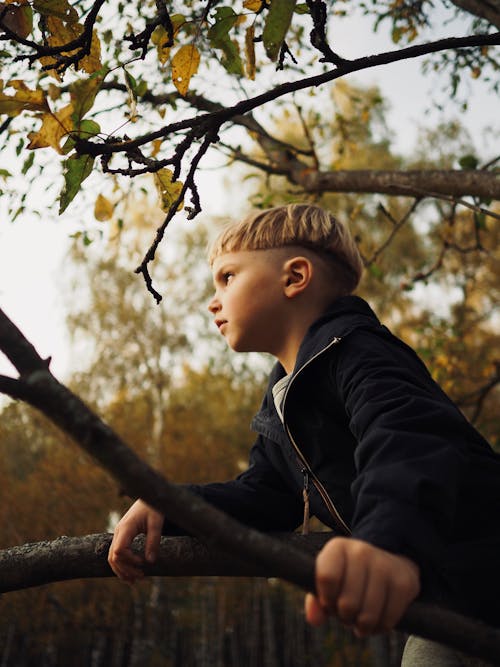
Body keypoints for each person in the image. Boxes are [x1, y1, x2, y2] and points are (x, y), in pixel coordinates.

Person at [108, 204, 500, 665]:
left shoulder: (358, 351)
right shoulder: (282, 401)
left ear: (294, 277)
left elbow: (408, 439)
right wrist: (169, 505)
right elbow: (266, 495)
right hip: (457, 604)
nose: (213, 301)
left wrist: (387, 542)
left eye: (227, 277)